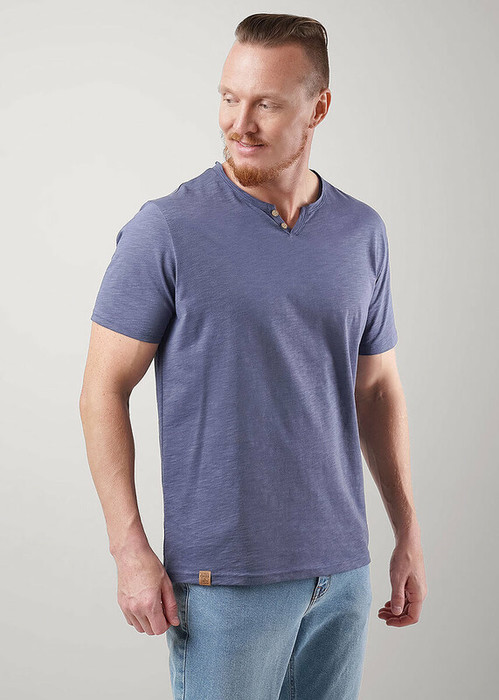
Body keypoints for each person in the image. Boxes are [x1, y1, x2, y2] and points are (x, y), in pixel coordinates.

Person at [79, 12, 427, 700]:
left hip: (342, 573)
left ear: (318, 108)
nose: (239, 123)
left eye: (266, 104)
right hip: (224, 580)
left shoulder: (361, 232)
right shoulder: (167, 229)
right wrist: (129, 550)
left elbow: (376, 388)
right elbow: (101, 390)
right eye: (229, 98)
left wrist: (407, 532)